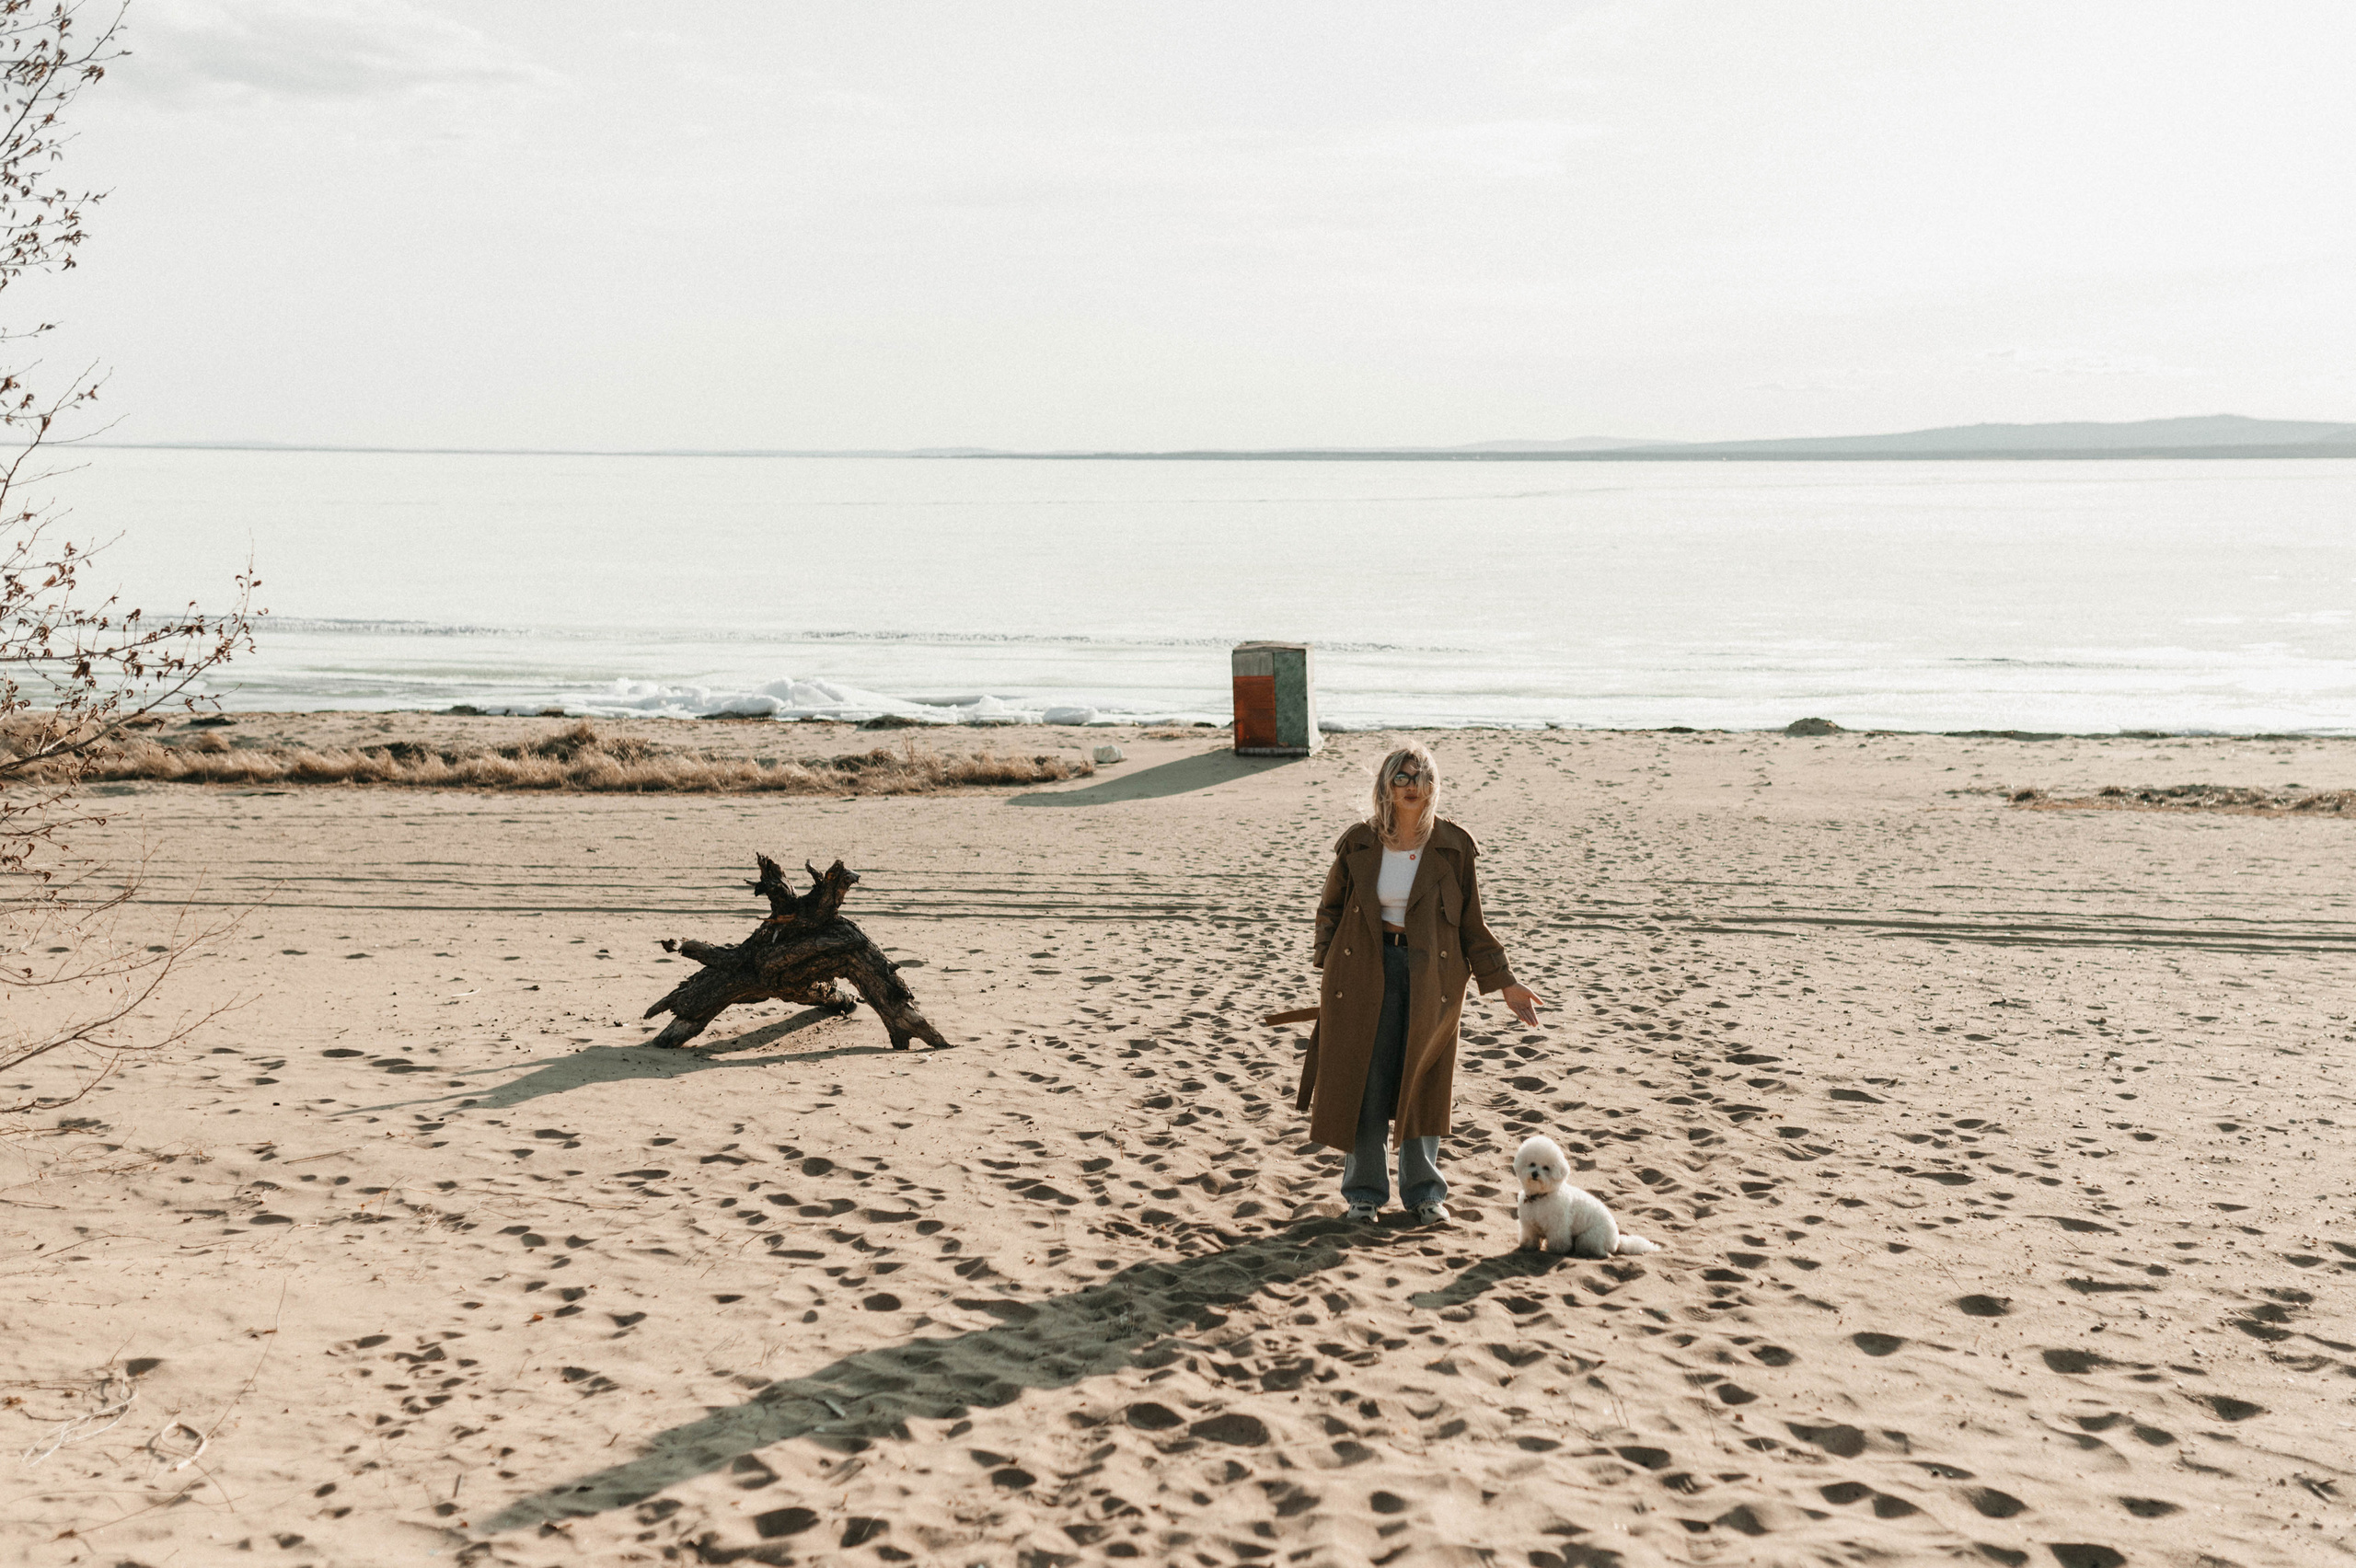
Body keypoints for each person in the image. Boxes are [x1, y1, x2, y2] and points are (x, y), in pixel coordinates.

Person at [1296, 743, 1542, 1223]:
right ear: (1386, 784)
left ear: (1433, 786)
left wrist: (1506, 981)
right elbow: (1329, 909)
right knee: (1366, 1080)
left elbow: (1473, 923)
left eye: (1421, 777)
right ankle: (1364, 1195)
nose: (1412, 786)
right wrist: (1331, 969)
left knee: (1423, 1080)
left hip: (1433, 977)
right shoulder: (1359, 843)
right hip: (1364, 971)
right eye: (1403, 777)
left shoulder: (1452, 845)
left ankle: (1425, 1195)